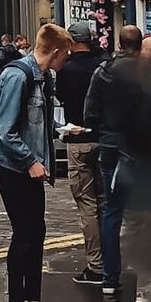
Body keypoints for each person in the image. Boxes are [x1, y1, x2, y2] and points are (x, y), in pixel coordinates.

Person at [0, 21, 73, 302]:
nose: (67, 60)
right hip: (12, 166)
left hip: (30, 166)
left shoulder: (44, 78)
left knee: (37, 231)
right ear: (53, 51)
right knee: (24, 233)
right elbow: (5, 130)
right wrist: (30, 161)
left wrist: (60, 131)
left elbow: (35, 122)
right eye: (65, 54)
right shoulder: (17, 76)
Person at [84, 24, 151, 302]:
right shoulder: (146, 74)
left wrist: (106, 131)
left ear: (120, 43)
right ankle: (147, 287)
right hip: (141, 151)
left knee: (112, 211)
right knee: (145, 214)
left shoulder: (102, 72)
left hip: (110, 149)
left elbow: (90, 113)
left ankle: (110, 280)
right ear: (138, 44)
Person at [55, 22, 105, 285]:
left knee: (87, 204)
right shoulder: (102, 65)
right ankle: (113, 264)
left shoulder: (67, 70)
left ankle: (96, 266)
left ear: (72, 42)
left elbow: (61, 97)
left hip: (78, 140)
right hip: (105, 139)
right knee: (106, 203)